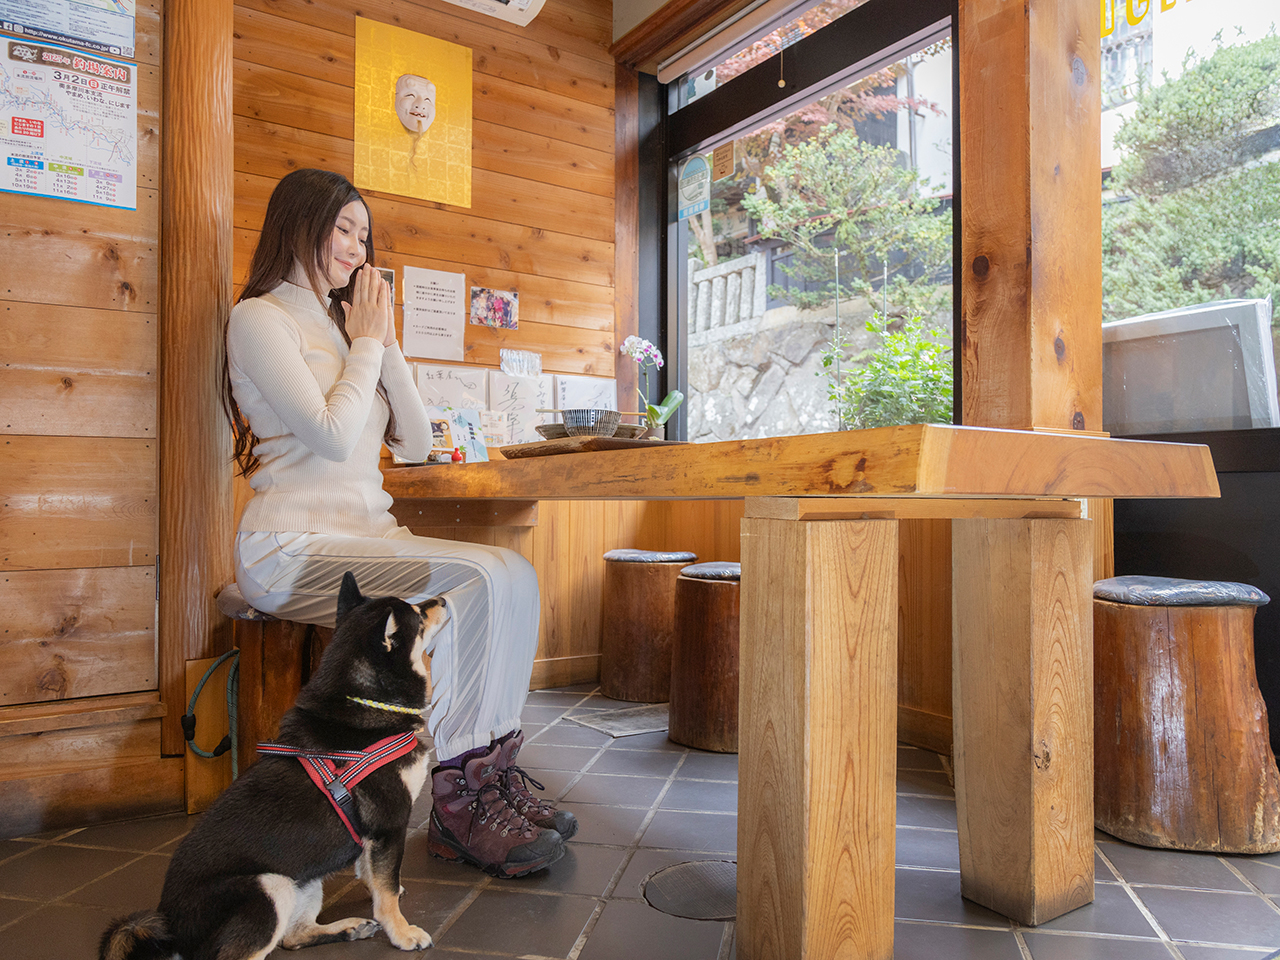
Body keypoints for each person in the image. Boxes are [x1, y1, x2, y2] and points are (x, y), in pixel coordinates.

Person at [222, 168, 574, 878]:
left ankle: (492, 772)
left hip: (366, 537)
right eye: (343, 229)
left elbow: (414, 442)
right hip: (290, 545)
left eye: (363, 235)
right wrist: (365, 345)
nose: (356, 248)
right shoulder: (260, 319)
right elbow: (329, 435)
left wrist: (384, 341)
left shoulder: (348, 327)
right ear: (298, 224)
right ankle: (459, 800)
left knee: (514, 573)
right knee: (477, 577)